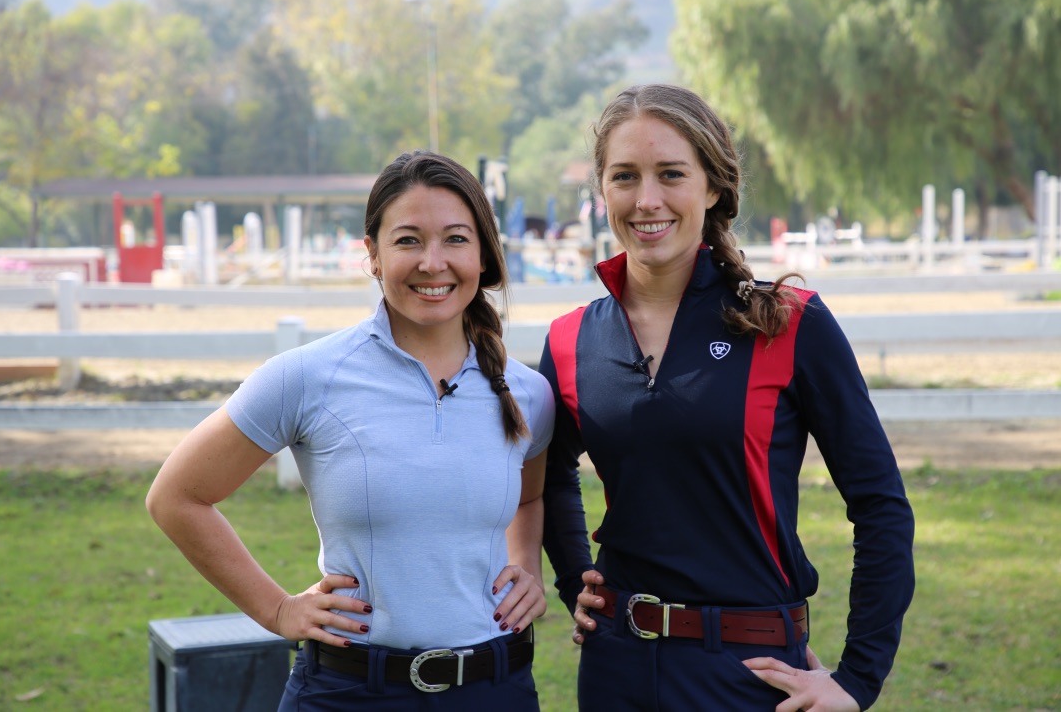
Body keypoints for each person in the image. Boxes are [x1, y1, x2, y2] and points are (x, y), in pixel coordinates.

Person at [539, 84, 915, 711]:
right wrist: (577, 579)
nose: (647, 199)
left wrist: (857, 680)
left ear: (712, 187)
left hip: (753, 677)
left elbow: (880, 506)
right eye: (624, 176)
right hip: (616, 672)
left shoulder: (790, 324)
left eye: (671, 174)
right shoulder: (570, 340)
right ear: (601, 190)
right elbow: (547, 477)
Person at [147, 150, 554, 710]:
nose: (432, 262)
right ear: (372, 255)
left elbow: (530, 499)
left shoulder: (528, 392)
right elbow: (177, 497)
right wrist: (278, 610)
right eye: (408, 240)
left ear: (484, 254)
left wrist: (526, 566)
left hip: (495, 689)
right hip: (347, 691)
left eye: (456, 239)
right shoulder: (307, 376)